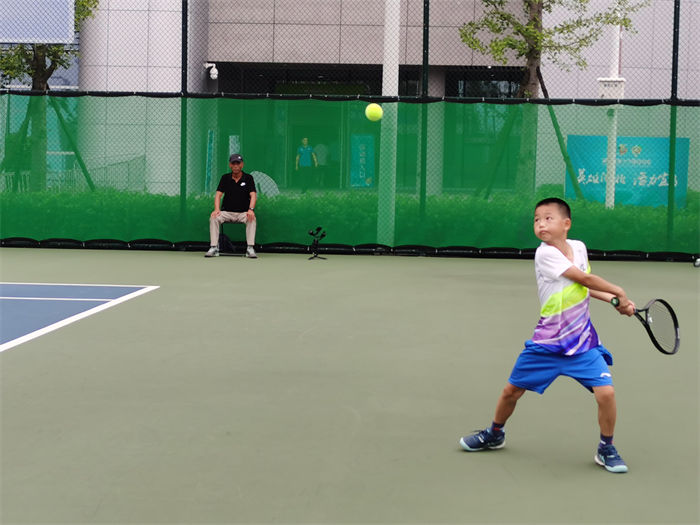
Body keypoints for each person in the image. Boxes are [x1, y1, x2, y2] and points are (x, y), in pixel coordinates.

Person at [459, 197, 636, 474]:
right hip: (547, 344)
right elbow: (585, 279)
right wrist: (620, 292)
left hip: (582, 343)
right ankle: (494, 433)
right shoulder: (545, 254)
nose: (541, 224)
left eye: (548, 218)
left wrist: (614, 301)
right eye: (536, 220)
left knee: (606, 393)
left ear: (566, 224)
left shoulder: (579, 248)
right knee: (511, 392)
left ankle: (606, 448)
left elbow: (583, 287)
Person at [205, 153, 257, 259]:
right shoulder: (225, 178)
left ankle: (250, 248)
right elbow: (218, 195)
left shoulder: (248, 178)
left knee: (252, 218)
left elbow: (253, 195)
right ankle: (214, 247)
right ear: (230, 165)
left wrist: (251, 209)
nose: (236, 166)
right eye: (233, 163)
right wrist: (216, 209)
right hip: (226, 213)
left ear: (242, 164)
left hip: (243, 213)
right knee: (214, 217)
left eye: (238, 163)